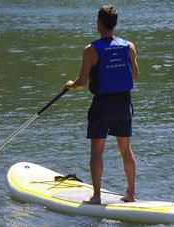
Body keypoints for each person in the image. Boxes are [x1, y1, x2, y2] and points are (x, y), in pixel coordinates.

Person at [64, 4, 139, 205]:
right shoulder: (129, 46)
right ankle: (131, 193)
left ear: (99, 24)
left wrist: (71, 86)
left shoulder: (91, 50)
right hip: (123, 103)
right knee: (126, 150)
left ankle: (96, 197)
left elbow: (82, 82)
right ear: (114, 25)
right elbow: (135, 75)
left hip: (102, 105)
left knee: (97, 152)